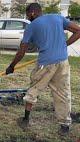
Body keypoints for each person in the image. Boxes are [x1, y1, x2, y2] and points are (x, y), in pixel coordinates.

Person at [5, 3, 80, 133]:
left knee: (34, 88)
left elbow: (21, 52)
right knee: (62, 92)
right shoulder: (58, 18)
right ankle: (65, 125)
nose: (28, 17)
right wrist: (64, 45)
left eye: (28, 14)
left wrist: (11, 66)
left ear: (33, 12)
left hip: (45, 64)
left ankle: (26, 119)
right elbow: (78, 30)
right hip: (63, 61)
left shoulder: (31, 26)